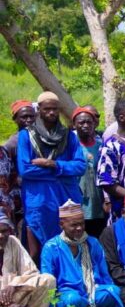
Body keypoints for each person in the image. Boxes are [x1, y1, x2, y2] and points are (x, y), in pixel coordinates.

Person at [41, 200, 125, 307]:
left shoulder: (92, 243)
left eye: (82, 224)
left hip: (91, 291)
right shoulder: (51, 247)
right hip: (65, 297)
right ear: (61, 225)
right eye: (74, 225)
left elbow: (105, 276)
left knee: (112, 291)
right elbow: (48, 284)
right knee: (73, 299)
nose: (79, 228)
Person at [18, 92, 86, 260]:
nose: (51, 113)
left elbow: (80, 166)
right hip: (40, 199)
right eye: (47, 109)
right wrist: (61, 173)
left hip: (66, 197)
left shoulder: (68, 135)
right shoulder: (26, 135)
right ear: (39, 110)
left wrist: (55, 165)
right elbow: (25, 170)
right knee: (40, 249)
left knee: (71, 244)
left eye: (55, 109)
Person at [0, 212, 55, 307]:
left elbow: (31, 271)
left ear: (10, 231)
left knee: (47, 280)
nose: (1, 236)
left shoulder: (13, 242)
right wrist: (6, 303)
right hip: (4, 303)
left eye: (4, 231)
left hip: (13, 295)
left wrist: (14, 285)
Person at [72, 107, 108, 238]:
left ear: (94, 124)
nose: (85, 126)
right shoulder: (70, 146)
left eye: (89, 122)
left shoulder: (101, 146)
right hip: (78, 201)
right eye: (81, 123)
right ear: (74, 124)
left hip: (99, 202)